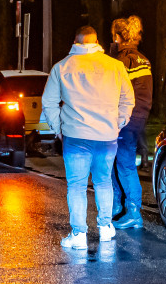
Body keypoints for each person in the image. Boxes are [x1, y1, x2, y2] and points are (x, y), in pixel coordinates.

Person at [42, 26, 135, 249]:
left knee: (76, 185)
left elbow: (49, 103)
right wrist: (118, 123)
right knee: (104, 182)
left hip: (75, 136)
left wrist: (58, 128)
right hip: (106, 135)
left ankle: (79, 235)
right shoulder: (115, 66)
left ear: (75, 41)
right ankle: (104, 228)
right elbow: (127, 99)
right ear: (97, 42)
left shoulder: (62, 67)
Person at [109, 16, 152, 229]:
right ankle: (123, 208)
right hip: (139, 117)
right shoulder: (142, 58)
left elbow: (113, 90)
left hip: (124, 117)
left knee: (124, 164)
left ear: (117, 37)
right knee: (121, 162)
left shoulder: (122, 60)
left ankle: (132, 211)